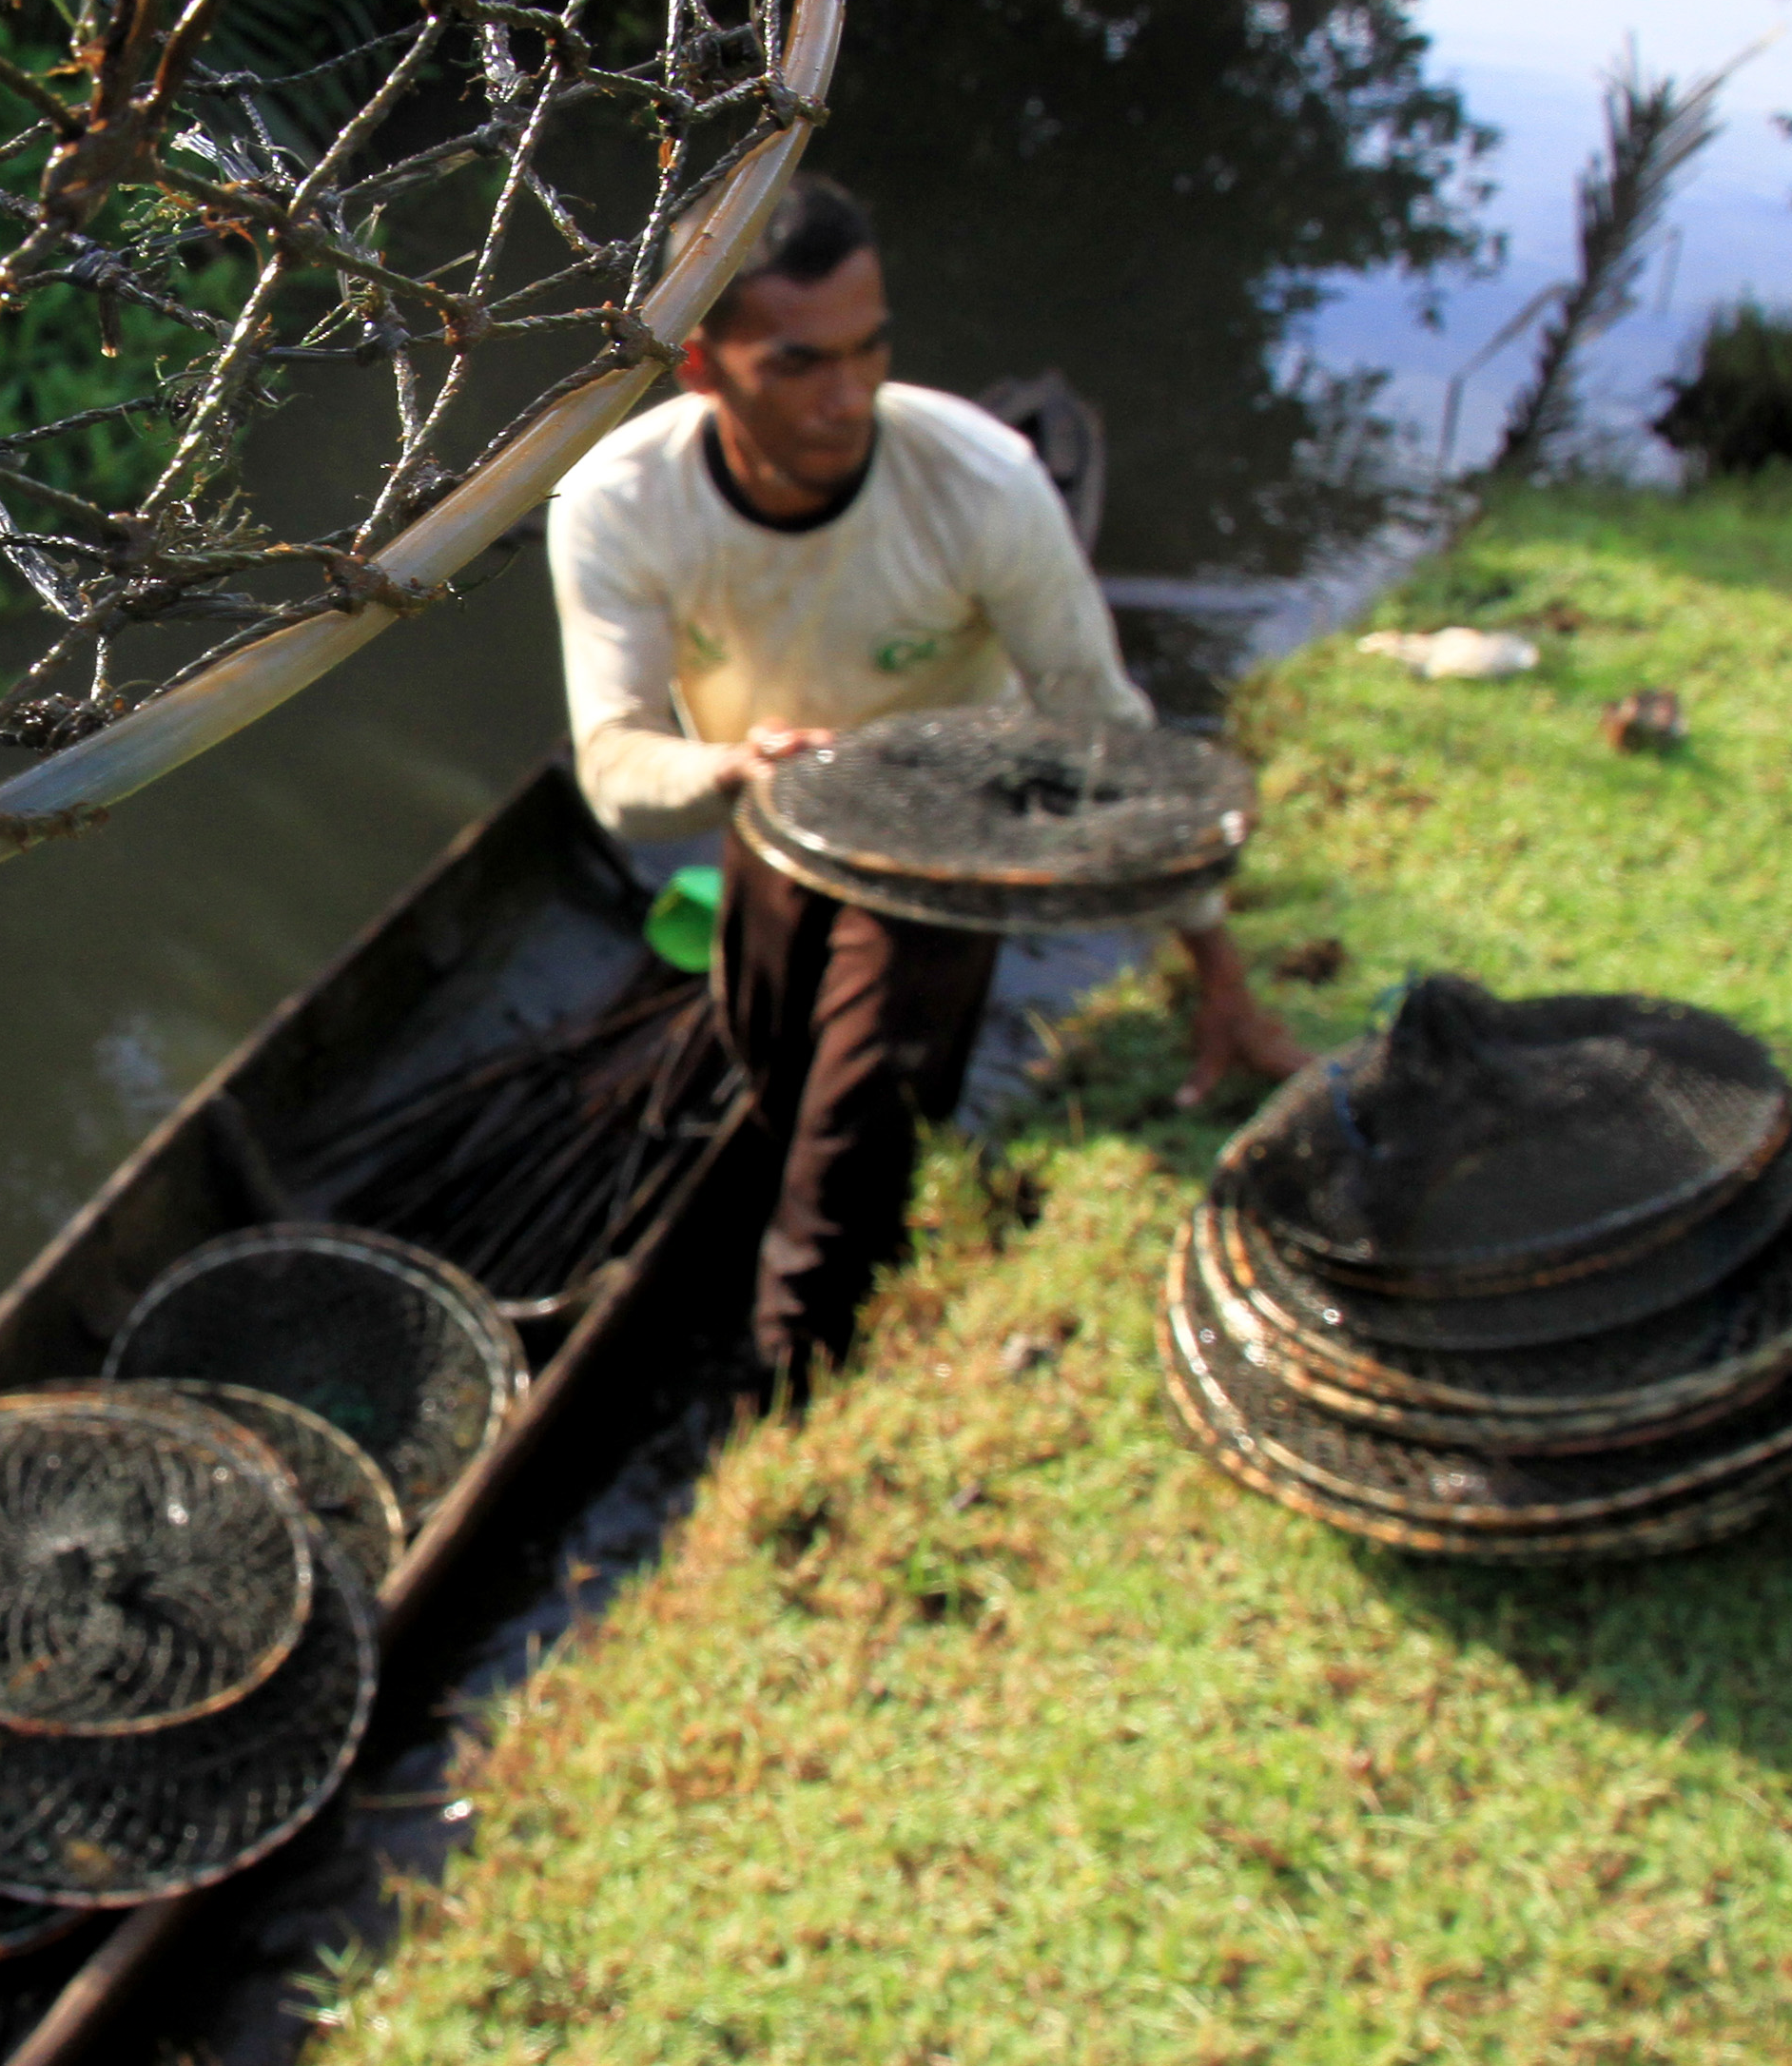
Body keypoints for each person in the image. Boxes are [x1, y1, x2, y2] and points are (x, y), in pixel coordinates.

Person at [550, 175, 1302, 1381]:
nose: (848, 399)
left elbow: (1100, 727)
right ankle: (782, 1222)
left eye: (870, 349)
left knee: (856, 1143)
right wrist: (737, 768)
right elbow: (616, 773)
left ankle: (794, 1385)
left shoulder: (983, 483)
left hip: (955, 829)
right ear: (698, 366)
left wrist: (1213, 961)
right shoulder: (615, 508)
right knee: (767, 1052)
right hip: (772, 808)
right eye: (799, 364)